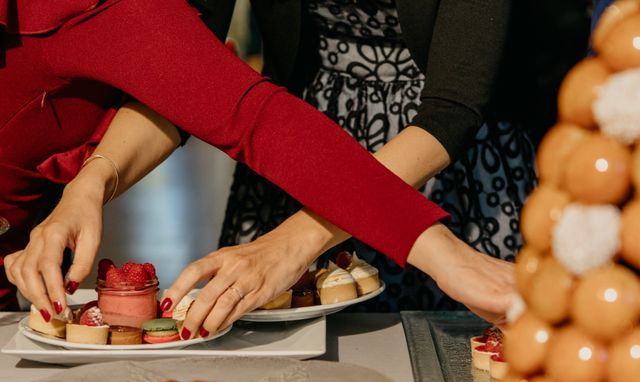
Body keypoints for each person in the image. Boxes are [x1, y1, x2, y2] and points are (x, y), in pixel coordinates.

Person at [2, 0, 513, 338]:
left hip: (421, 167)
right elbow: (193, 86)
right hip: (300, 165)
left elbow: (245, 110)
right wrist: (89, 183)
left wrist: (442, 254)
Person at [202, 1, 537, 311]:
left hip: (437, 158)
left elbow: (452, 107)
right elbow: (186, 53)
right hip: (300, 149)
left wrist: (293, 241)